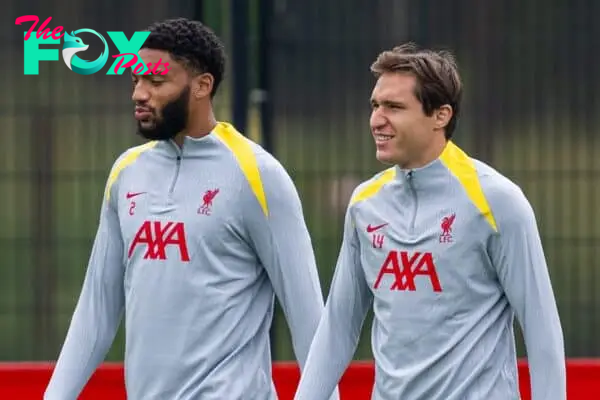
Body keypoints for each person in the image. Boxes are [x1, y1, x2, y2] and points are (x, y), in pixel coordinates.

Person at [45, 18, 337, 400]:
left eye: (156, 81)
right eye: (135, 80)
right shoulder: (126, 174)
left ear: (202, 86)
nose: (139, 93)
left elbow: (310, 323)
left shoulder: (258, 176)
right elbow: (94, 316)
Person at [294, 43, 566, 400]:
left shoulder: (498, 202)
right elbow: (337, 328)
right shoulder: (364, 204)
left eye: (394, 107)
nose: (377, 119)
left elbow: (541, 329)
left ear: (440, 115)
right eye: (375, 105)